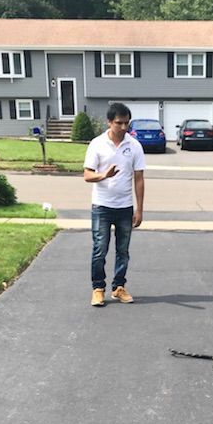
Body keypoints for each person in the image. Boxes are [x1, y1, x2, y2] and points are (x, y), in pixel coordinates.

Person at [83, 103, 145, 307]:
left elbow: (139, 179)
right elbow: (87, 175)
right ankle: (98, 289)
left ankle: (118, 287)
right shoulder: (97, 144)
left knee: (123, 251)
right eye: (119, 123)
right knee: (100, 249)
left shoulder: (134, 146)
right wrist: (104, 175)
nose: (124, 127)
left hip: (125, 207)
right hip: (102, 206)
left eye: (127, 123)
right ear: (109, 122)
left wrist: (139, 209)